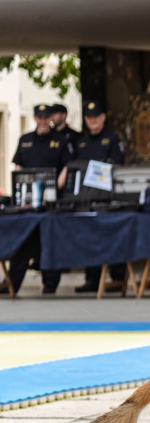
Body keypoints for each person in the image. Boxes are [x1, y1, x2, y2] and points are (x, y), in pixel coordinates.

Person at [8, 104, 75, 295]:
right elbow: (18, 168)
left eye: (46, 117)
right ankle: (12, 283)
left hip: (50, 201)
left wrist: (54, 190)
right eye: (40, 117)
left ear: (50, 118)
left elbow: (67, 168)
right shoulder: (25, 140)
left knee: (49, 241)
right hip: (28, 203)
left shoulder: (60, 140)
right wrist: (18, 192)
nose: (43, 121)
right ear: (35, 118)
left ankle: (50, 284)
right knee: (22, 241)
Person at [75, 100, 129, 294]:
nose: (93, 120)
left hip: (108, 198)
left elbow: (119, 166)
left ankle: (117, 278)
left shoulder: (112, 139)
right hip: (87, 199)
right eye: (89, 117)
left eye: (96, 116)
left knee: (112, 236)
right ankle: (92, 279)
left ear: (103, 117)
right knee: (90, 239)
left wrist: (98, 172)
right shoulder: (80, 142)